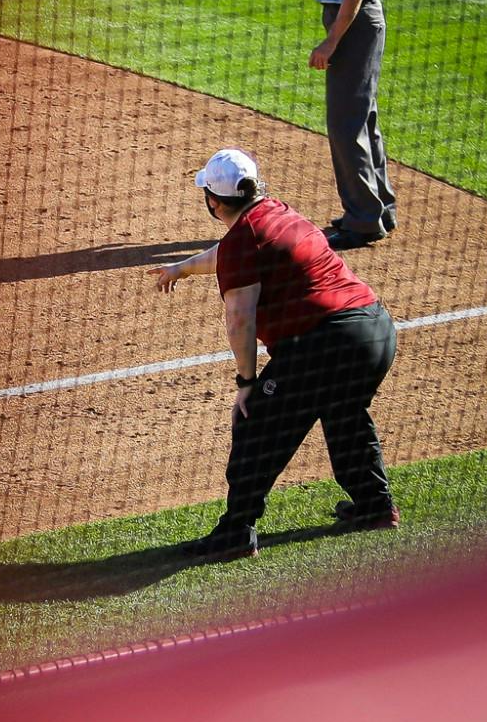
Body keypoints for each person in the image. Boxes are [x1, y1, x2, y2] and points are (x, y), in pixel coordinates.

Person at [151, 148, 399, 560]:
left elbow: (240, 320)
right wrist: (182, 267)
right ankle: (375, 505)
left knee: (256, 422)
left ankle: (236, 530)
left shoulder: (243, 240)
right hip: (374, 329)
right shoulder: (277, 213)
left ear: (213, 201)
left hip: (328, 344)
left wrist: (247, 383)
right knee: (343, 412)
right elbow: (234, 253)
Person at [299, 0, 395, 249]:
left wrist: (331, 41)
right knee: (362, 117)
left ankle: (362, 221)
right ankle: (378, 209)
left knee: (345, 123)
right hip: (354, 21)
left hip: (352, 24)